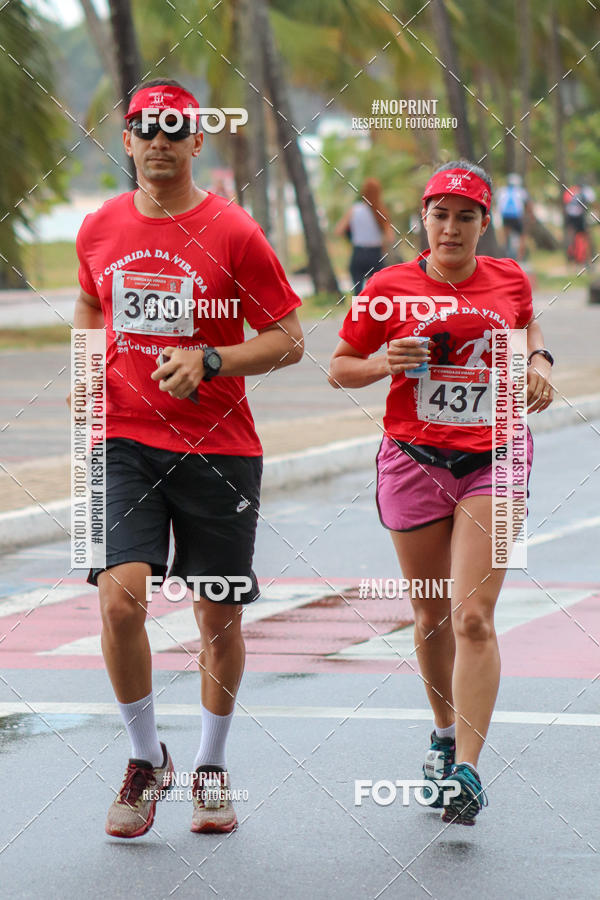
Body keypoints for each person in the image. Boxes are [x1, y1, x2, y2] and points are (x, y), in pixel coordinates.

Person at [72, 79, 303, 838]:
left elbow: (289, 340)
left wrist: (212, 360)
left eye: (176, 129)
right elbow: (88, 304)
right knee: (118, 596)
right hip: (122, 439)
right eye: (147, 128)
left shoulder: (234, 231)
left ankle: (210, 763)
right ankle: (146, 760)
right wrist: (84, 371)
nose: (161, 141)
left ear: (198, 141)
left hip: (220, 451)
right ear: (128, 138)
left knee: (219, 619)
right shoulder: (98, 227)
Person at [329, 160, 555, 825]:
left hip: (496, 455)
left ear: (485, 223)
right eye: (440, 214)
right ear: (422, 219)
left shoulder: (509, 276)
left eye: (465, 216)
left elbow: (526, 323)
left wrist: (539, 360)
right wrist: (381, 363)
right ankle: (443, 731)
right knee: (430, 613)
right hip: (412, 459)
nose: (451, 227)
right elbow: (341, 368)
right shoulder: (386, 286)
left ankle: (468, 770)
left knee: (473, 615)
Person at [335, 177, 394, 292]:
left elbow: (339, 230)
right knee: (377, 294)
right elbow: (390, 237)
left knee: (358, 295)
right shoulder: (381, 211)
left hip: (358, 254)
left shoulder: (355, 209)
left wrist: (351, 237)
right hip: (375, 256)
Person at [496, 173, 531, 261]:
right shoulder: (520, 191)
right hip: (516, 216)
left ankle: (504, 255)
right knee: (522, 236)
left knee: (505, 236)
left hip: (505, 217)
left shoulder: (502, 191)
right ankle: (520, 258)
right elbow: (528, 205)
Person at [563, 182, 596, 263]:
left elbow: (566, 203)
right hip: (580, 216)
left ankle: (573, 257)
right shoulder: (586, 191)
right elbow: (592, 202)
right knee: (585, 236)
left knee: (572, 235)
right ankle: (584, 257)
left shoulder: (570, 190)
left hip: (570, 216)